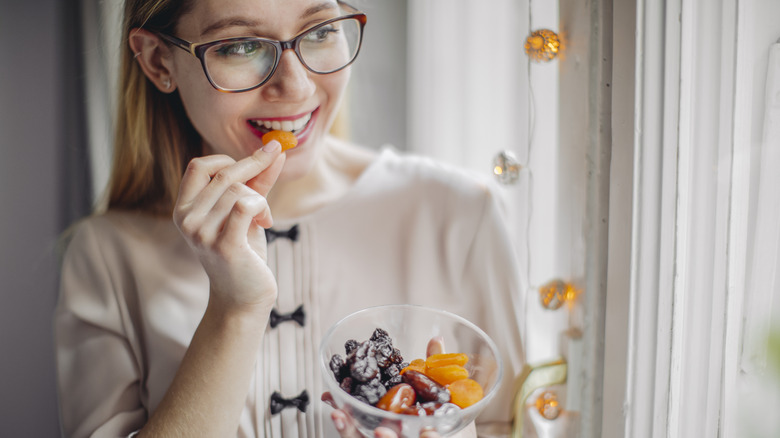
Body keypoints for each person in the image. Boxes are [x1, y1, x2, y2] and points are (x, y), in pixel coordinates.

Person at [54, 0, 525, 436]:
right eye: (240, 46)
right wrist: (234, 311)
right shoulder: (105, 257)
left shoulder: (461, 213)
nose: (296, 87)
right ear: (159, 60)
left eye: (320, 31)